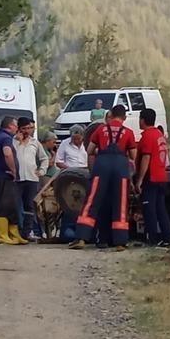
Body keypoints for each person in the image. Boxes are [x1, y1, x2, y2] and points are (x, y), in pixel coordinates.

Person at [72, 105, 137, 251]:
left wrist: (101, 150)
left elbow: (89, 151)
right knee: (121, 202)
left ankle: (81, 237)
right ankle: (120, 241)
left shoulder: (100, 129)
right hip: (120, 167)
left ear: (111, 115)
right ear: (124, 118)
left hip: (102, 166)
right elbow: (133, 156)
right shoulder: (128, 132)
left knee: (92, 200)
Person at [0, 117, 26, 245]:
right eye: (15, 125)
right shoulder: (6, 138)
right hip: (5, 176)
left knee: (9, 205)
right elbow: (7, 153)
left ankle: (13, 234)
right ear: (9, 126)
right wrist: (13, 170)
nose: (17, 128)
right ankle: (2, 235)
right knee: (5, 206)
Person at [136, 108, 170, 246]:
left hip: (151, 178)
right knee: (161, 210)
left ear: (143, 120)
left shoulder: (147, 136)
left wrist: (139, 180)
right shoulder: (159, 134)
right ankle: (167, 239)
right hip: (162, 177)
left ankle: (152, 240)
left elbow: (146, 158)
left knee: (149, 210)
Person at [14, 117, 49, 241]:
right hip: (17, 179)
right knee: (17, 205)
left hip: (31, 178)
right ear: (19, 129)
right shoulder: (13, 141)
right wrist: (18, 142)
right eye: (24, 128)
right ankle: (17, 231)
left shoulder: (35, 142)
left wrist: (42, 171)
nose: (27, 131)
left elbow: (44, 158)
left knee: (29, 206)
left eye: (29, 128)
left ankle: (27, 232)